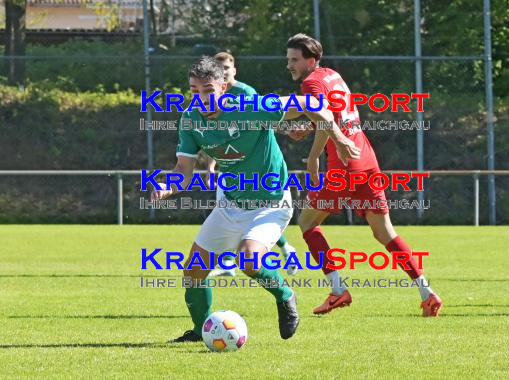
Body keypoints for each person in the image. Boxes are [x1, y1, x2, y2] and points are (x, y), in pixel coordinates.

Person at [151, 56, 360, 342]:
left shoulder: (250, 107)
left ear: (224, 88)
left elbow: (312, 105)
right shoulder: (190, 119)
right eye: (194, 90)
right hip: (231, 205)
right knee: (193, 272)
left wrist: (338, 138)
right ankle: (202, 330)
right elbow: (183, 170)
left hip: (270, 203)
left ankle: (285, 295)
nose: (201, 98)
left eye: (208, 90)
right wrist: (166, 186)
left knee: (249, 259)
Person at [285, 33, 443, 317]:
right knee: (385, 233)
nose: (290, 65)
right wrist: (309, 128)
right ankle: (426, 292)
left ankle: (337, 290)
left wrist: (312, 157)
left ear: (310, 60)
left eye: (294, 60)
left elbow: (328, 119)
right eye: (288, 60)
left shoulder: (310, 83)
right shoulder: (332, 75)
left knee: (307, 222)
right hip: (366, 159)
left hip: (344, 164)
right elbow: (335, 114)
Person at [207, 52, 298, 277]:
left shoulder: (246, 93)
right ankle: (229, 263)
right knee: (230, 211)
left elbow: (261, 126)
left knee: (251, 212)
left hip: (255, 169)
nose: (224, 72)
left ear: (234, 70)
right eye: (219, 69)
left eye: (227, 67)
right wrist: (211, 166)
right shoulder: (211, 96)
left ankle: (286, 249)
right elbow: (215, 137)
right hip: (231, 168)